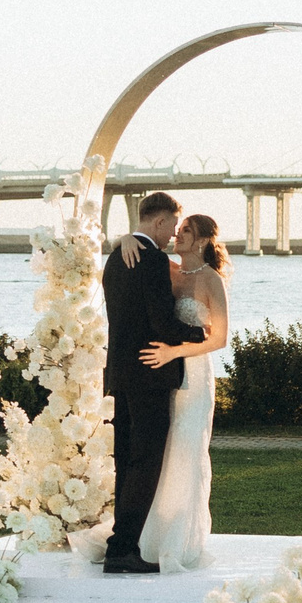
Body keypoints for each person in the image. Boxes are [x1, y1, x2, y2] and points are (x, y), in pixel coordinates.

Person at [124, 212, 230, 572]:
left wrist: (173, 352)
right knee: (162, 451)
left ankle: (176, 540)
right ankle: (146, 536)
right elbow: (136, 251)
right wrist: (124, 239)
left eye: (186, 230)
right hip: (163, 374)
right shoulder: (167, 269)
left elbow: (219, 338)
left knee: (186, 448)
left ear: (201, 240)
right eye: (178, 228)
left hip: (195, 373)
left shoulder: (211, 280)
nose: (178, 233)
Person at [102, 193, 185, 574]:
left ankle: (117, 544)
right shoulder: (152, 260)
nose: (174, 234)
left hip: (120, 373)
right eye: (172, 225)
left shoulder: (116, 257)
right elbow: (163, 324)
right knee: (144, 463)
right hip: (149, 375)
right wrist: (205, 334)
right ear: (158, 222)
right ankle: (123, 550)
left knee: (126, 461)